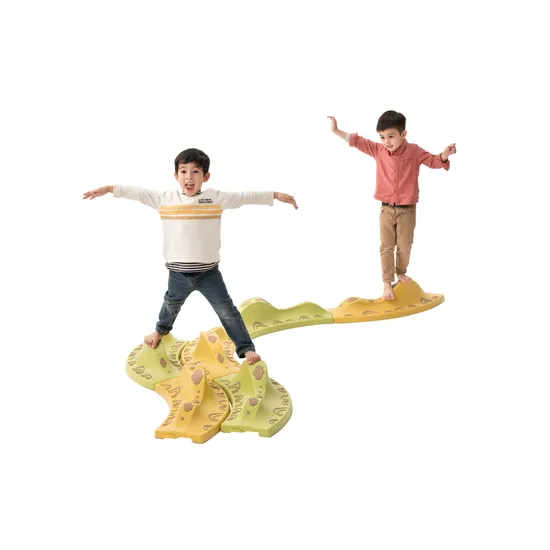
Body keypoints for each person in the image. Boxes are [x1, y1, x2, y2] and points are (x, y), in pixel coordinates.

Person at [83, 148, 298, 364]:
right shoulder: (165, 199)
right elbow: (138, 193)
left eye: (195, 172)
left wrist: (275, 195)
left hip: (208, 274)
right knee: (170, 305)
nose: (189, 177)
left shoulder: (214, 198)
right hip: (177, 274)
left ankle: (246, 348)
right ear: (176, 176)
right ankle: (160, 330)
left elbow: (244, 197)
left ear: (206, 176)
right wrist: (109, 189)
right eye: (184, 171)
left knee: (227, 311)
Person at [327, 111, 456, 300]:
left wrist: (444, 155)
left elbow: (433, 161)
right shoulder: (378, 150)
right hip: (386, 209)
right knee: (386, 247)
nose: (386, 142)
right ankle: (387, 282)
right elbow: (357, 141)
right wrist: (336, 131)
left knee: (404, 246)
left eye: (391, 136)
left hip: (407, 210)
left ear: (403, 134)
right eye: (382, 137)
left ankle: (401, 272)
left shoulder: (414, 151)